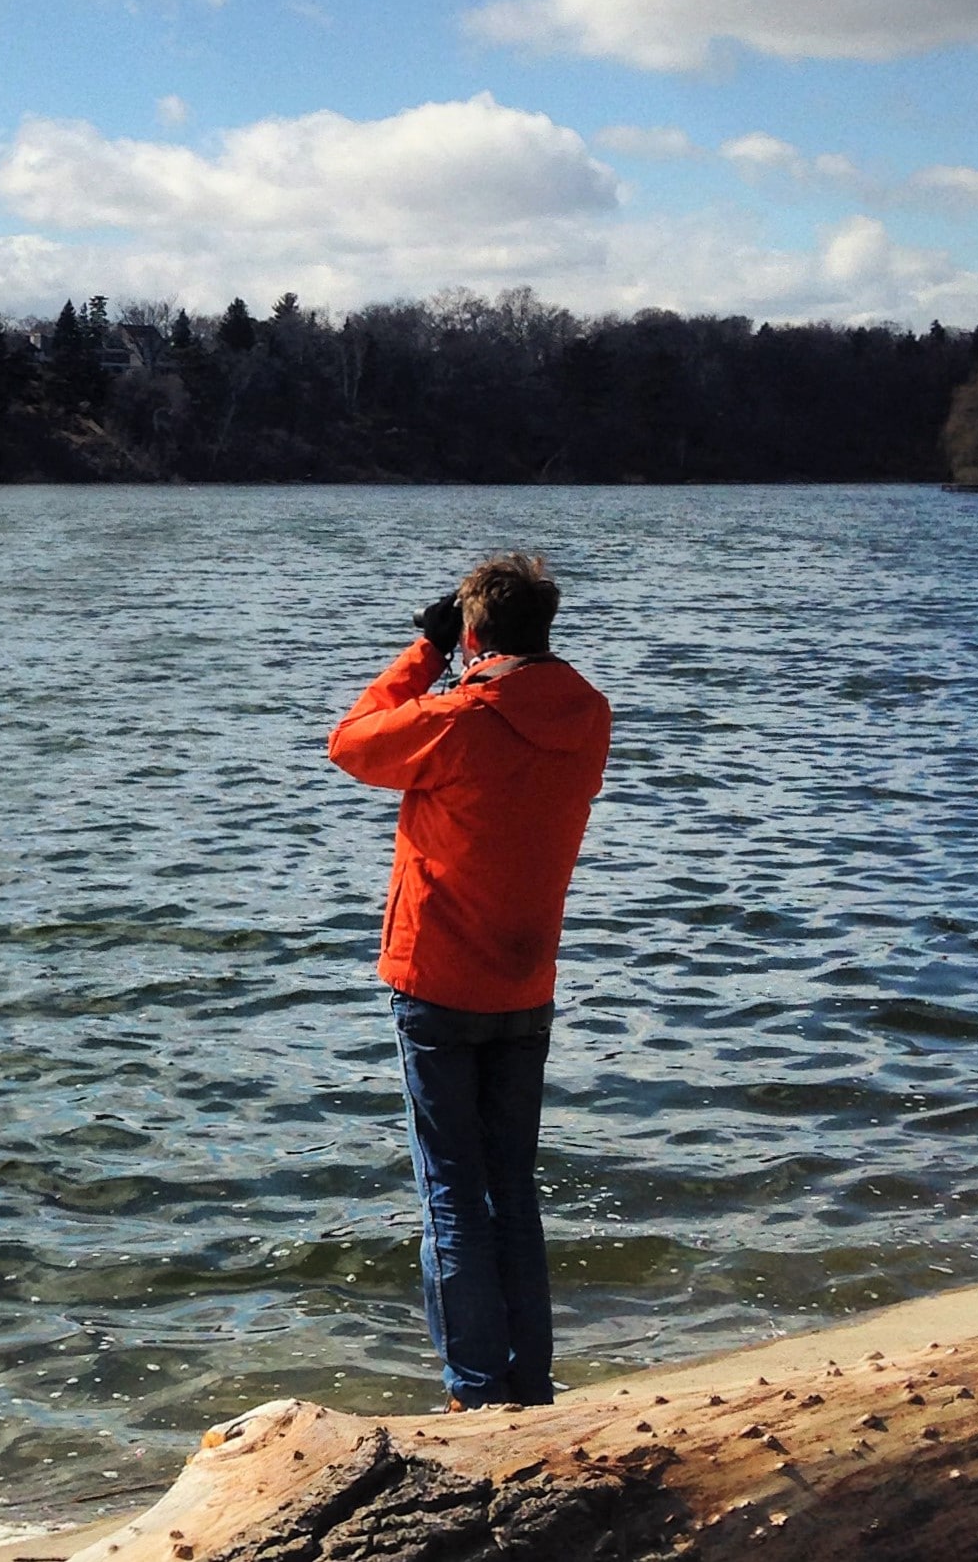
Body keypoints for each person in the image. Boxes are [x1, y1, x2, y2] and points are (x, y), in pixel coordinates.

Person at [326, 553, 611, 1409]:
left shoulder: (456, 717)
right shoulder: (587, 714)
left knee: (451, 1191)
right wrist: (466, 656)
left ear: (473, 634)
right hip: (526, 983)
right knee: (511, 1191)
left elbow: (349, 743)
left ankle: (476, 1393)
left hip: (439, 981)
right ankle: (529, 1386)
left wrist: (423, 651)